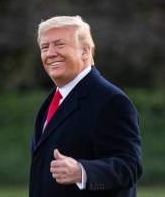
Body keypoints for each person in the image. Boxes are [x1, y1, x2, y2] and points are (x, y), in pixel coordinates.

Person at [29, 16, 142, 197]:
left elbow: (129, 167)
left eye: (59, 44)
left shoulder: (111, 101)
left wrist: (83, 172)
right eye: (45, 47)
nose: (50, 53)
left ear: (84, 51)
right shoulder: (53, 100)